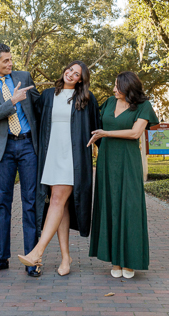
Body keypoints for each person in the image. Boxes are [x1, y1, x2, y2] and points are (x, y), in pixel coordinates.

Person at [17, 60, 99, 276]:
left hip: (73, 159)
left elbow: (97, 128)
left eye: (77, 73)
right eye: (70, 69)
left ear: (81, 79)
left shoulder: (86, 99)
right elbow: (32, 118)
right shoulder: (47, 96)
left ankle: (37, 252)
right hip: (51, 156)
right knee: (60, 205)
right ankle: (66, 257)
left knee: (56, 201)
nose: (71, 74)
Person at [0, 43, 41, 277]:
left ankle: (32, 259)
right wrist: (11, 101)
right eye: (5, 61)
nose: (10, 64)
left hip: (27, 146)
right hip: (4, 149)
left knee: (30, 202)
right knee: (2, 203)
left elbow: (39, 107)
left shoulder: (23, 76)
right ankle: (1, 258)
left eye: (11, 59)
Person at [87, 71, 158, 279]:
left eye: (118, 86)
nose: (114, 89)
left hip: (128, 161)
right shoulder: (109, 102)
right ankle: (115, 260)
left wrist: (106, 134)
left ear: (129, 87)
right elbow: (93, 125)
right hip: (107, 161)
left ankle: (131, 260)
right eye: (114, 85)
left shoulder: (143, 106)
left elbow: (135, 133)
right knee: (110, 206)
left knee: (130, 207)